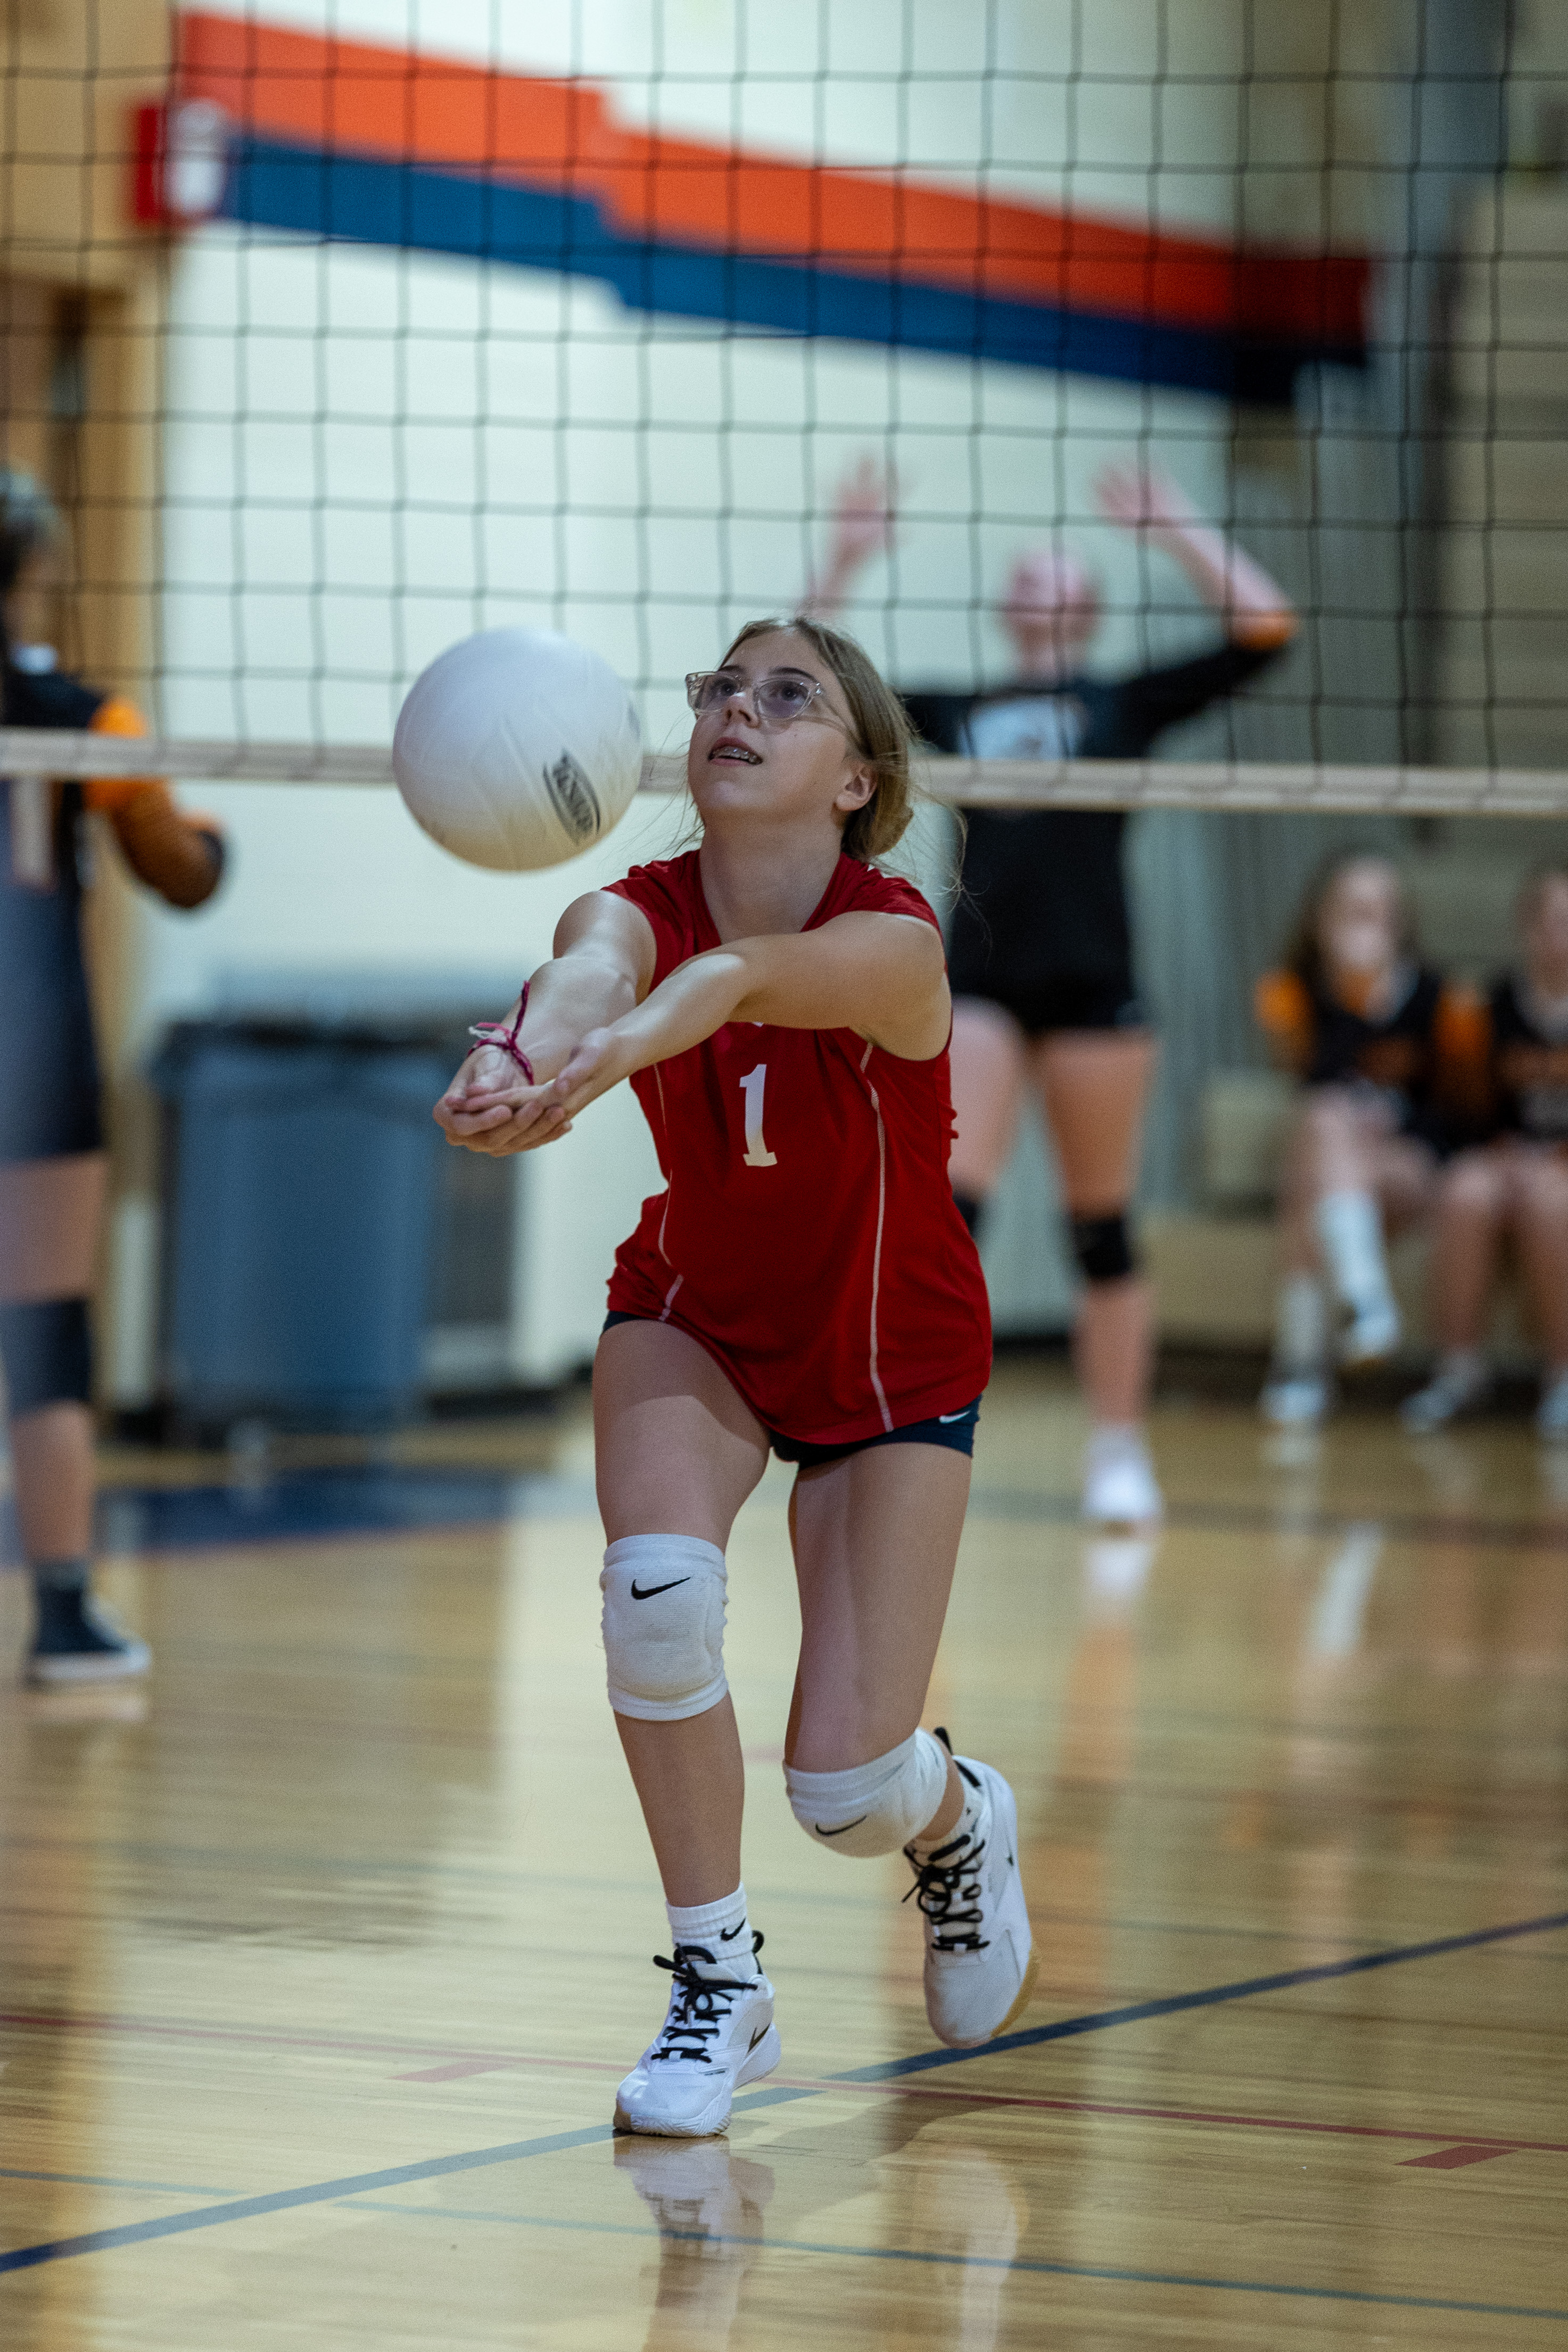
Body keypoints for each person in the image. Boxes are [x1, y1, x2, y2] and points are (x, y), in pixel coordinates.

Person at [436, 616, 1034, 2137]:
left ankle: (957, 1820)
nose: (736, 710)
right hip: (693, 1313)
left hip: (886, 1352)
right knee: (655, 1601)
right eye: (719, 688)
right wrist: (518, 1051)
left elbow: (744, 979)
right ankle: (720, 1982)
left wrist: (613, 1048)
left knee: (845, 1792)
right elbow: (588, 966)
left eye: (786, 696)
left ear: (855, 779)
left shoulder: (896, 939)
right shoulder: (629, 905)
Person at [805, 457, 1297, 1524]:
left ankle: (1118, 1448)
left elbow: (1267, 630)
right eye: (1023, 572)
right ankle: (903, 1426)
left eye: (1056, 570)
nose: (1035, 581)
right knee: (948, 1210)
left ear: (1089, 603)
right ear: (1008, 606)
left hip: (1093, 985)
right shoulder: (960, 705)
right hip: (979, 981)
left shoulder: (1125, 700)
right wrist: (844, 557)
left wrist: (1178, 524)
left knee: (1098, 1226)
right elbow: (808, 684)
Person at [1, 468, 225, 1682]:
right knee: (45, 1326)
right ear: (33, 568)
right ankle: (62, 1613)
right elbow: (182, 874)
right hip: (30, 1053)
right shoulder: (88, 721)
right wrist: (214, 846)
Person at [1254, 852, 1474, 1428]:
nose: (1365, 925)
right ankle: (1362, 1305)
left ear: (1400, 923)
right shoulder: (1290, 992)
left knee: (1313, 1169)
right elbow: (1310, 1077)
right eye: (1352, 912)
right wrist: (1353, 997)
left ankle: (1303, 1361)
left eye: (1378, 912)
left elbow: (1462, 1107)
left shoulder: (1442, 998)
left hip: (1411, 1165)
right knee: (1322, 1130)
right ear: (1321, 922)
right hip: (1337, 1162)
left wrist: (1391, 1125)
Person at [1402, 864, 1568, 1438]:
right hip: (1507, 1159)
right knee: (1465, 1190)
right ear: (1526, 928)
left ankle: (1563, 1376)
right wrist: (1501, 1153)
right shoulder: (1486, 1010)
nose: (1560, 935)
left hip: (1557, 1172)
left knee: (1551, 1201)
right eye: (1550, 920)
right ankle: (1459, 1370)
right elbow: (1461, 1113)